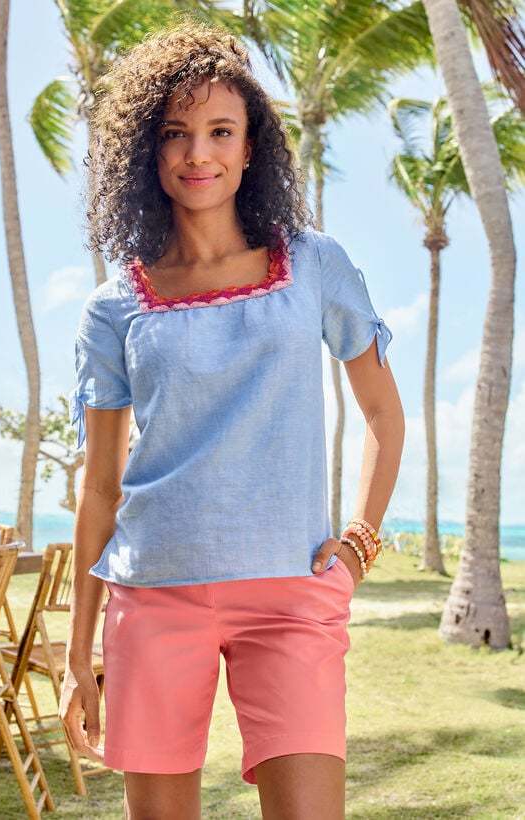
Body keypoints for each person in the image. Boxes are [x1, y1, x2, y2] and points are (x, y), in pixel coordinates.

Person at [60, 19, 405, 820]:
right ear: (148, 153)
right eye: (175, 134)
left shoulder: (314, 264)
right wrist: (80, 649)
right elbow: (101, 487)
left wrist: (359, 544)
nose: (198, 154)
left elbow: (383, 414)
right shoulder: (113, 307)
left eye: (220, 131)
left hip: (292, 597)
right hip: (151, 595)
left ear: (252, 149)